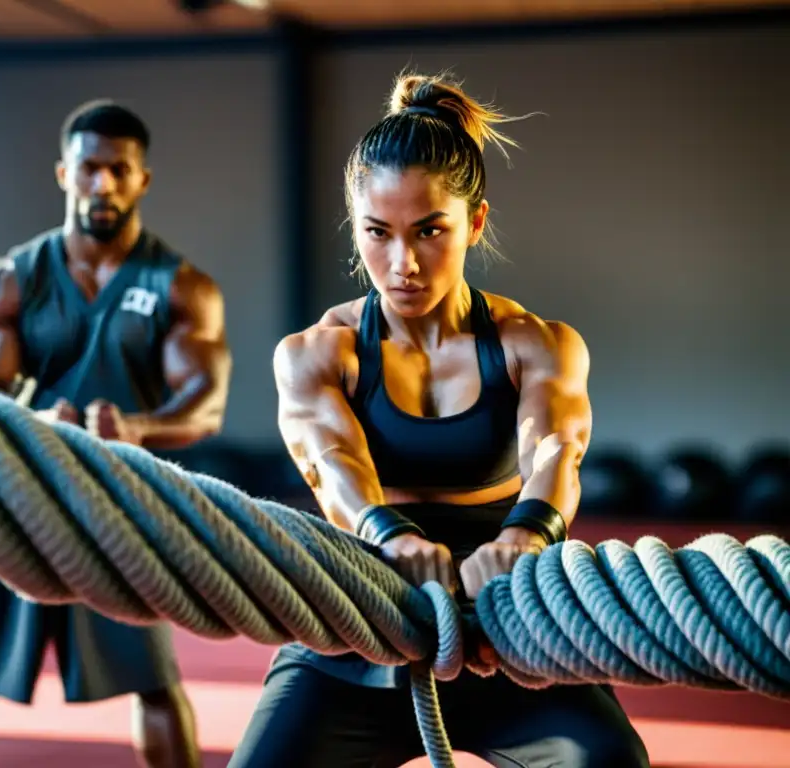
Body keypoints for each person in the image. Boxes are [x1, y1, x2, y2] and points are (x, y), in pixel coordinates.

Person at [228, 72, 651, 768]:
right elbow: (329, 462)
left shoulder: (532, 344)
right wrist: (387, 532)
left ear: (475, 222)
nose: (402, 264)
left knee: (609, 761)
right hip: (360, 625)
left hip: (508, 628)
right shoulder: (317, 353)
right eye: (377, 233)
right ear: (355, 225)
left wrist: (525, 535)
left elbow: (556, 448)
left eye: (430, 231)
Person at [0, 99, 232, 768]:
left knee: (158, 685)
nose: (102, 185)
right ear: (64, 173)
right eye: (89, 168)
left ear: (143, 180)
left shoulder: (182, 288)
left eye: (118, 170)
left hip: (114, 503)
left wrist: (138, 425)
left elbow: (206, 405)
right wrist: (30, 425)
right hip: (0, 499)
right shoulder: (8, 281)